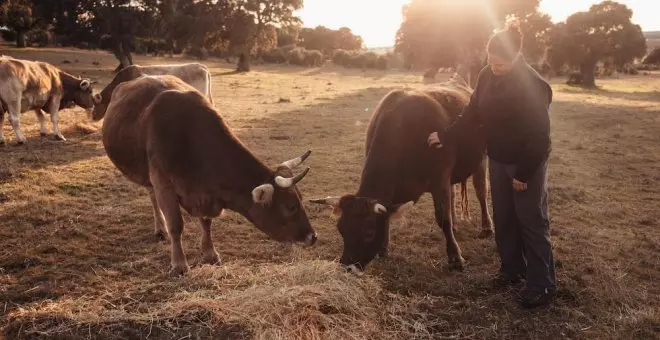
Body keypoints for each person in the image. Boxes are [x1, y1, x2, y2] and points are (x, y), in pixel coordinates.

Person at [427, 24, 556, 308]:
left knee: (531, 222)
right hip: (497, 158)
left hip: (525, 163)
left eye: (501, 63)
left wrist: (524, 173)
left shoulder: (532, 84)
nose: (494, 67)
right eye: (491, 61)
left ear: (515, 56)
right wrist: (446, 134)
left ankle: (542, 285)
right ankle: (512, 270)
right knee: (505, 219)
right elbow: (472, 112)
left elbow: (540, 136)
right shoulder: (487, 75)